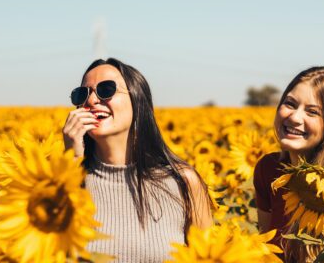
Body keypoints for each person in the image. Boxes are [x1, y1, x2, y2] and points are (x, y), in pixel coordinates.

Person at [62, 58, 213, 262]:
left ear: (137, 99)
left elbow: (210, 255)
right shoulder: (58, 183)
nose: (92, 100)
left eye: (106, 89)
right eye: (83, 94)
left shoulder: (182, 182)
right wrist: (71, 160)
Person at [252, 66, 324, 247]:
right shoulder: (268, 168)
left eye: (312, 112)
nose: (295, 117)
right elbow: (265, 244)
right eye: (290, 104)